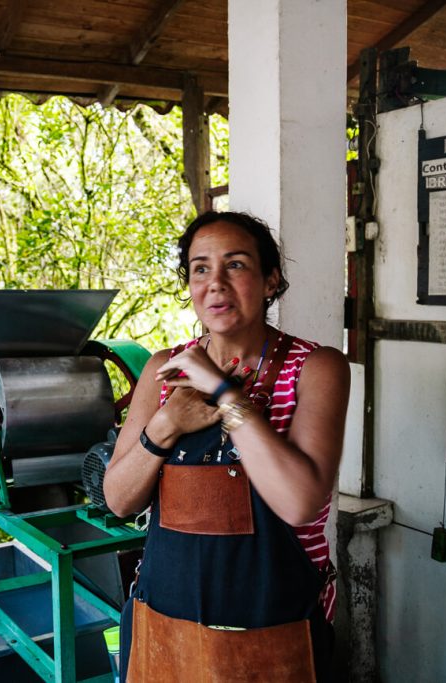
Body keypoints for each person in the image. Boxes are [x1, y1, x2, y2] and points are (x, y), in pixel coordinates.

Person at [104, 211, 350, 682]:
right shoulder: (161, 370)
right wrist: (166, 424)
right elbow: (118, 500)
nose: (215, 283)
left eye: (235, 265)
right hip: (163, 626)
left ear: (270, 280)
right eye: (200, 268)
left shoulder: (315, 368)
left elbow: (299, 502)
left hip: (274, 629)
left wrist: (224, 393)